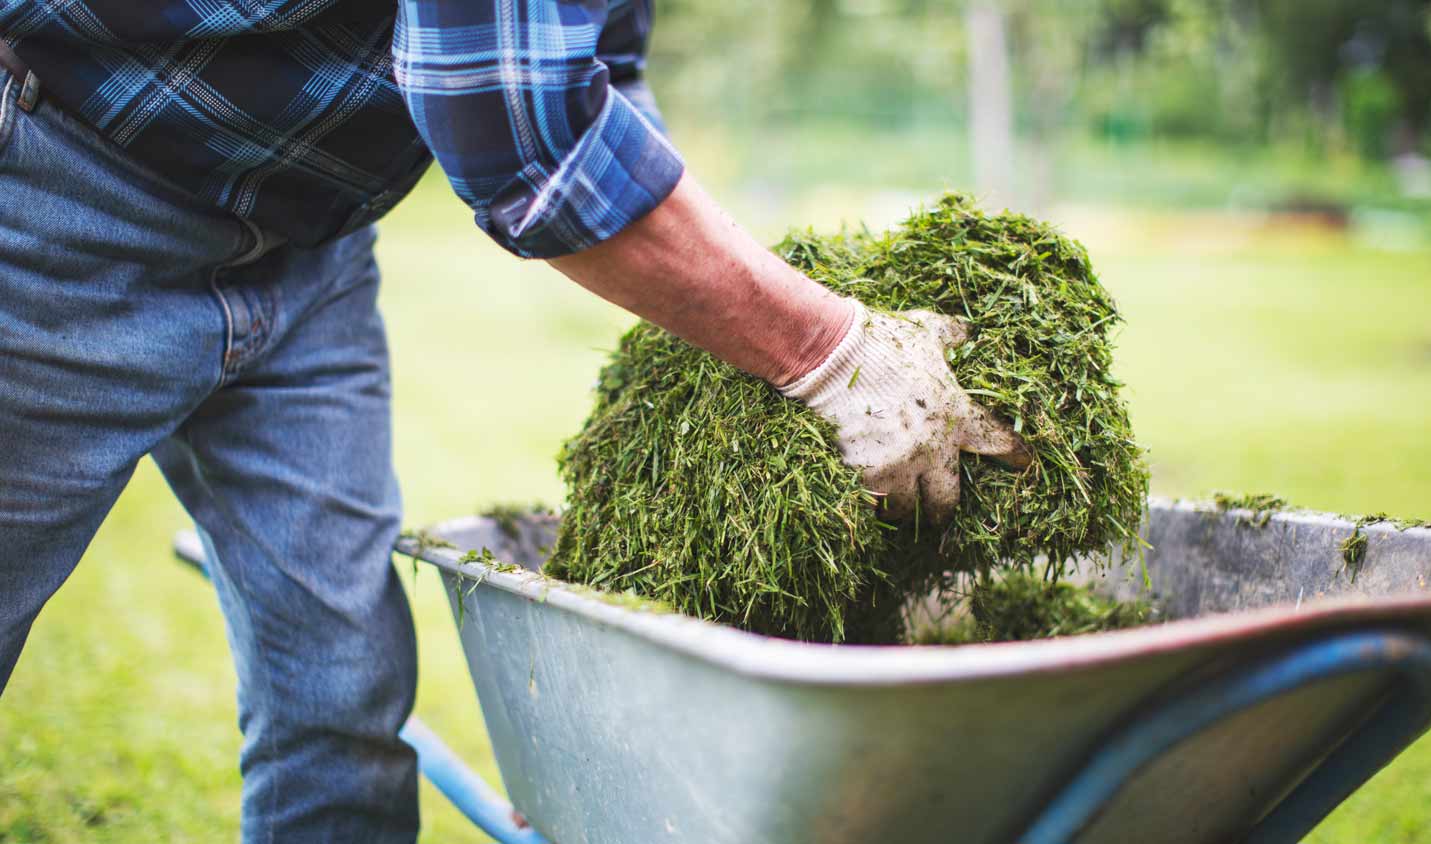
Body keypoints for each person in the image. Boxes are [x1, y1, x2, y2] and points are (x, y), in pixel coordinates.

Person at [0, 1, 1027, 839]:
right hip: (58, 201)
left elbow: (600, 75)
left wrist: (739, 309)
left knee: (341, 692)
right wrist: (826, 351)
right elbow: (516, 126)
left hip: (309, 250)